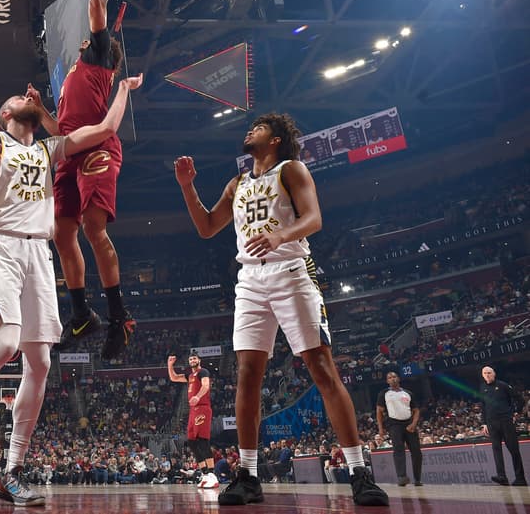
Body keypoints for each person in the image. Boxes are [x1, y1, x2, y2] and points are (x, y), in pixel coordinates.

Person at [0, 74, 140, 506]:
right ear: (5, 115)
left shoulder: (48, 147)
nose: (25, 96)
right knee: (4, 343)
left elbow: (105, 131)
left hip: (40, 255)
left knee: (39, 360)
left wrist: (124, 91)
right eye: (16, 97)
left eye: (29, 98)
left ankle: (12, 472)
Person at [174, 113, 388, 507]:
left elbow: (314, 218)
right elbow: (206, 227)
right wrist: (188, 188)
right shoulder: (237, 183)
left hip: (291, 271)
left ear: (275, 140)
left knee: (321, 368)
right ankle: (248, 475)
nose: (250, 130)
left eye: (259, 127)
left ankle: (358, 471)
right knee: (247, 375)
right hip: (250, 280)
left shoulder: (292, 169)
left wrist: (280, 235)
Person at [27, 0, 134, 360]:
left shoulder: (101, 60)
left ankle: (118, 316)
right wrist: (40, 111)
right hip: (70, 151)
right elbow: (62, 130)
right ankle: (80, 313)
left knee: (93, 228)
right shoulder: (74, 76)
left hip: (98, 147)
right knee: (61, 233)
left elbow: (95, 1)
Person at [167, 351, 218, 488]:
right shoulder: (190, 376)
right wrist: (170, 365)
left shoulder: (203, 372)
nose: (192, 360)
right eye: (190, 359)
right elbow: (174, 378)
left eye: (194, 358)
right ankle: (205, 473)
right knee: (191, 442)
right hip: (193, 411)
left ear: (199, 360)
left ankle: (212, 474)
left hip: (202, 407)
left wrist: (198, 396)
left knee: (202, 440)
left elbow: (206, 386)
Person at [478, 366, 527, 486]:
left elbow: (519, 399)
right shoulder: (482, 388)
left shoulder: (503, 385)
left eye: (489, 373)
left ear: (494, 374)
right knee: (496, 450)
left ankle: (520, 478)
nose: (487, 375)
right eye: (485, 373)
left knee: (513, 449)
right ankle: (502, 476)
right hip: (491, 423)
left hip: (505, 421)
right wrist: (484, 423)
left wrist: (516, 412)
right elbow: (483, 407)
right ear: (482, 375)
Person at [376, 371, 422, 486]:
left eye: (394, 376)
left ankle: (417, 479)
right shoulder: (384, 393)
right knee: (398, 450)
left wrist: (414, 424)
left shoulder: (408, 393)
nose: (392, 379)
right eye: (390, 377)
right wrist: (381, 428)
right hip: (394, 424)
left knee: (416, 452)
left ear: (399, 378)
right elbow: (379, 411)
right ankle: (402, 476)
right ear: (387, 381)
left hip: (409, 424)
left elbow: (416, 410)